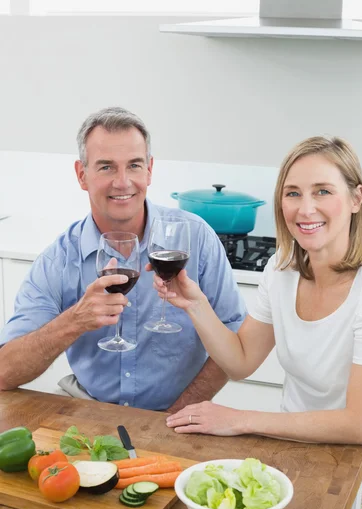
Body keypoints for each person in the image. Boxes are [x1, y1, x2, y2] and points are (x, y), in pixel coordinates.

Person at [157, 136, 362, 509]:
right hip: (299, 460)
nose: (305, 208)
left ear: (355, 198)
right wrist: (195, 304)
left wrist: (238, 421)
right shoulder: (282, 269)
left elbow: (358, 425)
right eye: (293, 193)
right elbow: (242, 359)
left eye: (322, 191)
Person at [0, 107, 246, 412]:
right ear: (82, 175)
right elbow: (4, 373)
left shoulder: (196, 238)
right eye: (106, 167)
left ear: (150, 170)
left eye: (134, 165)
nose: (122, 182)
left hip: (181, 414)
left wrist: (175, 416)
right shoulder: (58, 259)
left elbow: (234, 332)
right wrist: (74, 321)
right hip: (89, 410)